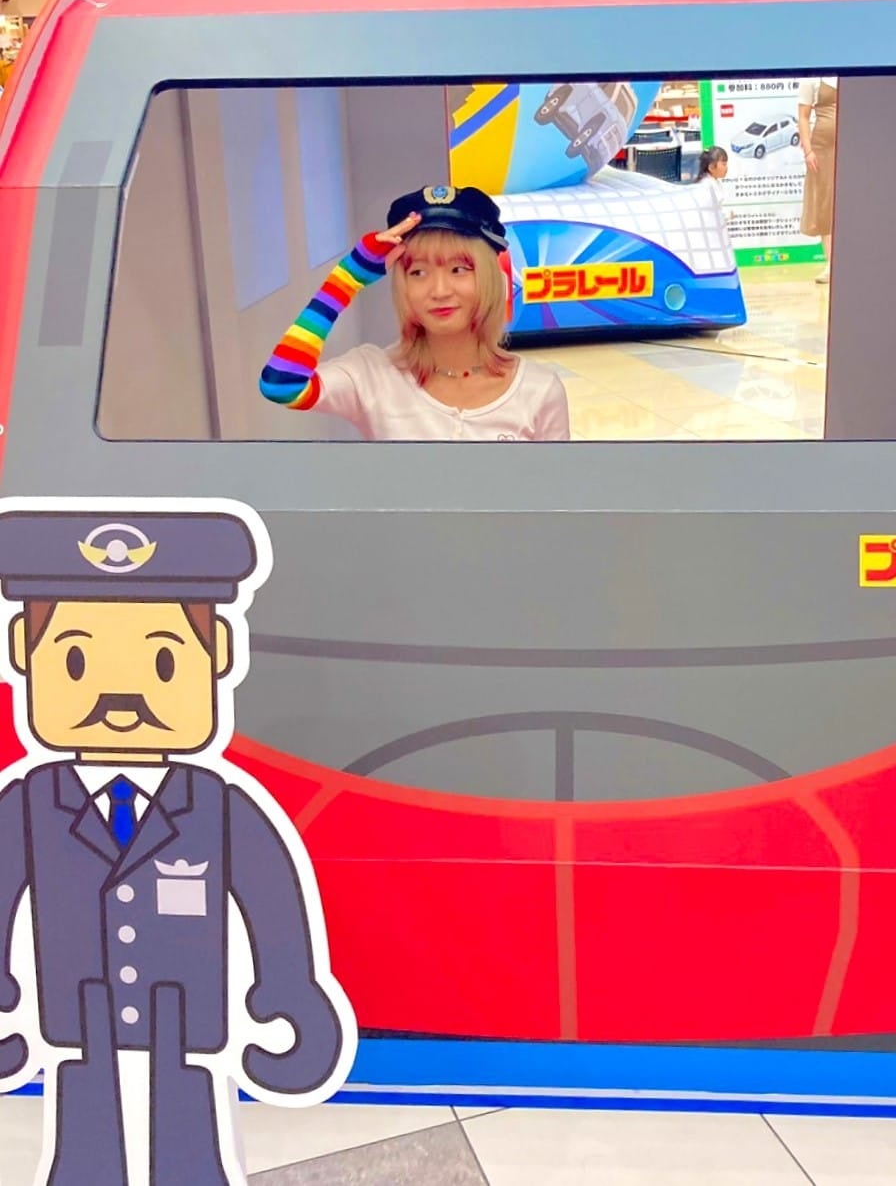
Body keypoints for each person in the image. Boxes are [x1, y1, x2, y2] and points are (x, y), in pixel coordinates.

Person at [0, 502, 355, 1186]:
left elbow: (269, 897)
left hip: (187, 1025)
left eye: (163, 661)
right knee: (83, 1156)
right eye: (76, 660)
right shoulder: (29, 805)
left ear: (217, 653)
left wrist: (289, 987)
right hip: (79, 1020)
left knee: (192, 1155)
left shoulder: (218, 806)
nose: (120, 694)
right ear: (23, 652)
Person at [260, 184, 570, 441]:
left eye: (459, 269)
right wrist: (348, 278)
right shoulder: (373, 375)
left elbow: (557, 493)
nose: (439, 290)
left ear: (490, 276)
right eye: (418, 272)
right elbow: (282, 384)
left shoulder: (539, 390)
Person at [797, 76, 839, 285]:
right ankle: (832, 264)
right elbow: (803, 117)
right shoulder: (812, 80)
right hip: (822, 148)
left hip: (854, 143)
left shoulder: (853, 72)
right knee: (825, 204)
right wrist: (808, 150)